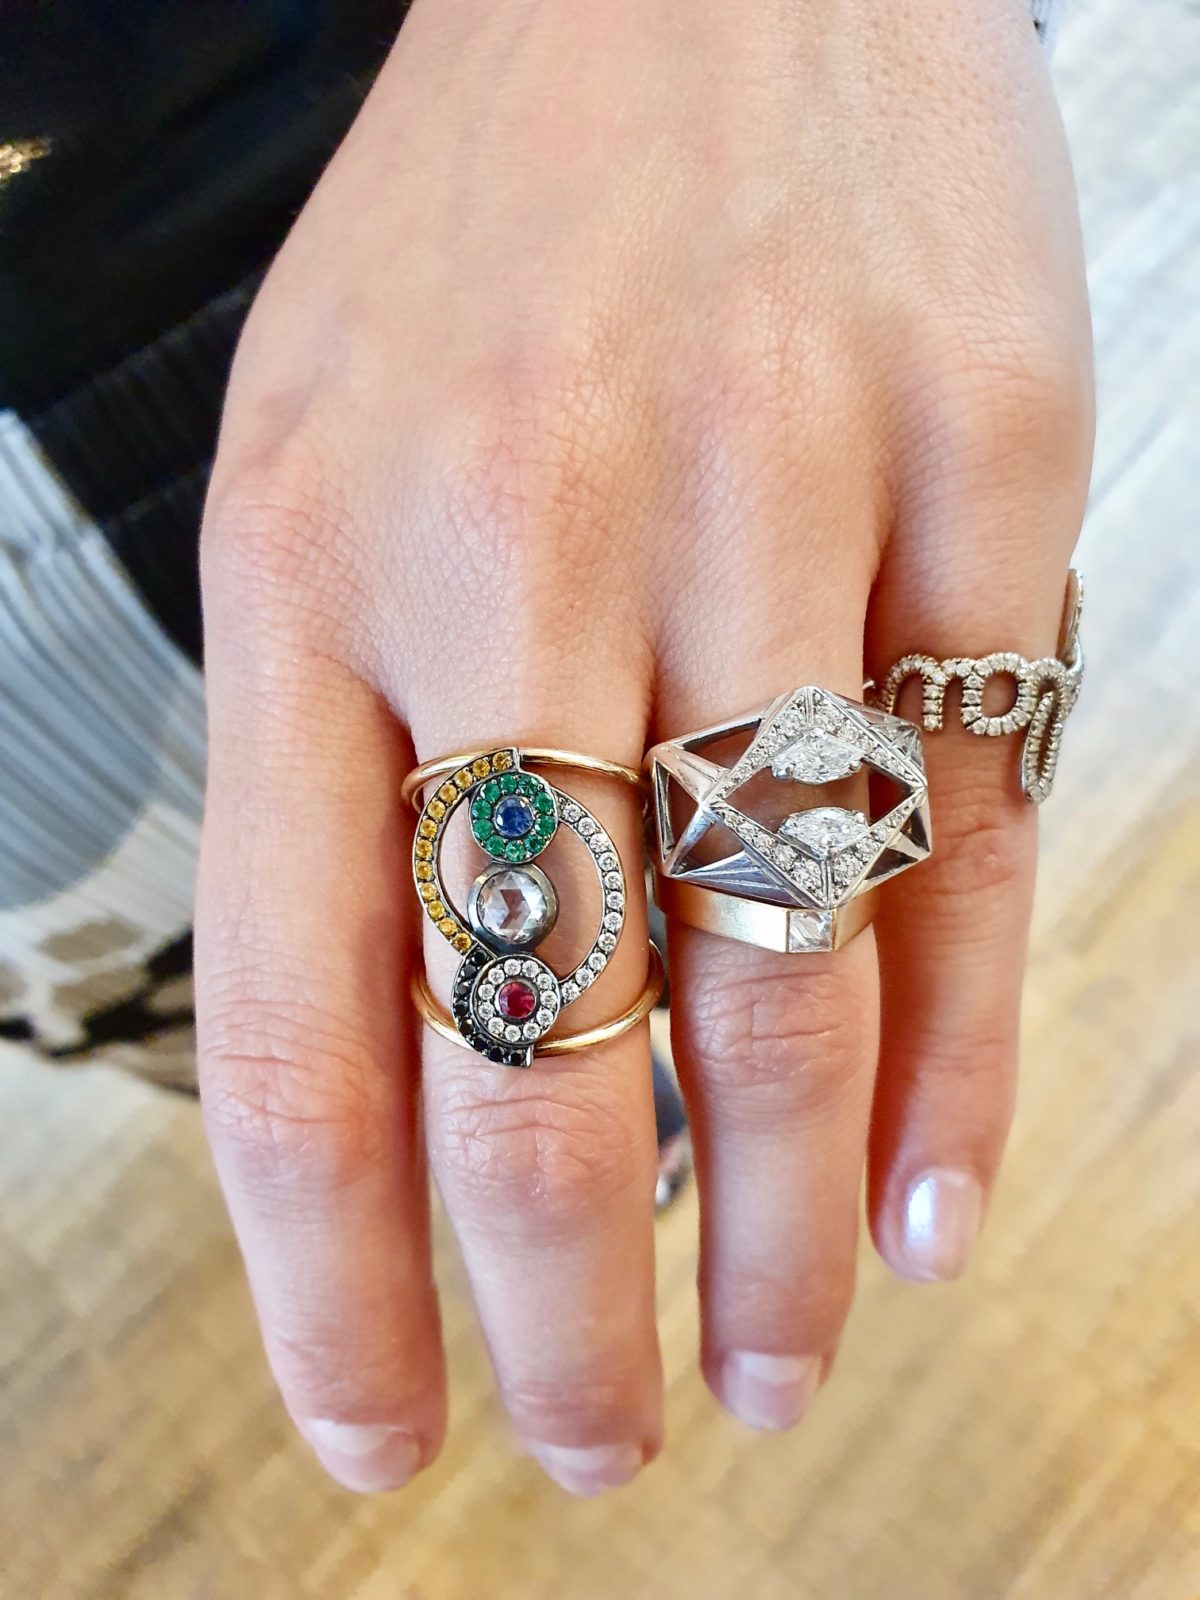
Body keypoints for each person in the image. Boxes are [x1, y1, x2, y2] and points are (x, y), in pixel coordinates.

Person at [0, 0, 1091, 1497]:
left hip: (566, 175)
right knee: (283, 1017)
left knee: (741, 918)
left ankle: (618, 1071)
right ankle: (590, 1090)